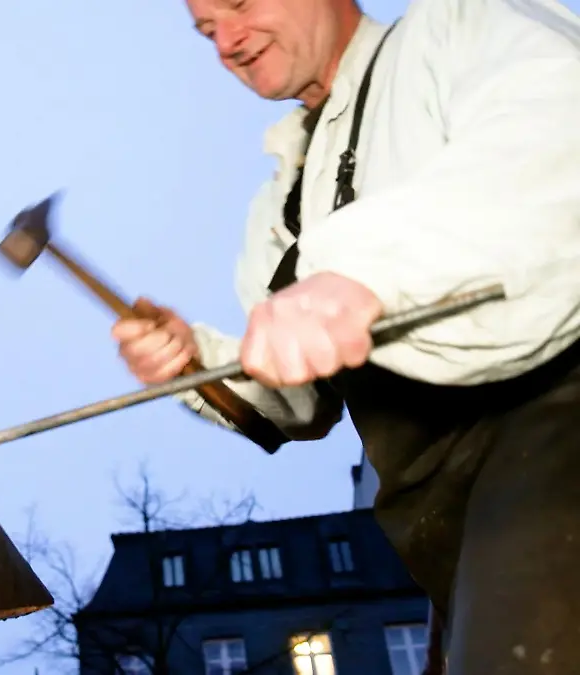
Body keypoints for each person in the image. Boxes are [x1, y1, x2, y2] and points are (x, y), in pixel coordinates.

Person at [112, 0, 580, 671]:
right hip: (442, 535)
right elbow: (299, 399)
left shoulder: (458, 27)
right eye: (207, 29)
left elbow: (555, 137)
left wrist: (371, 276)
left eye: (238, 5)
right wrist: (197, 360)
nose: (228, 42)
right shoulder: (280, 204)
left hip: (555, 438)